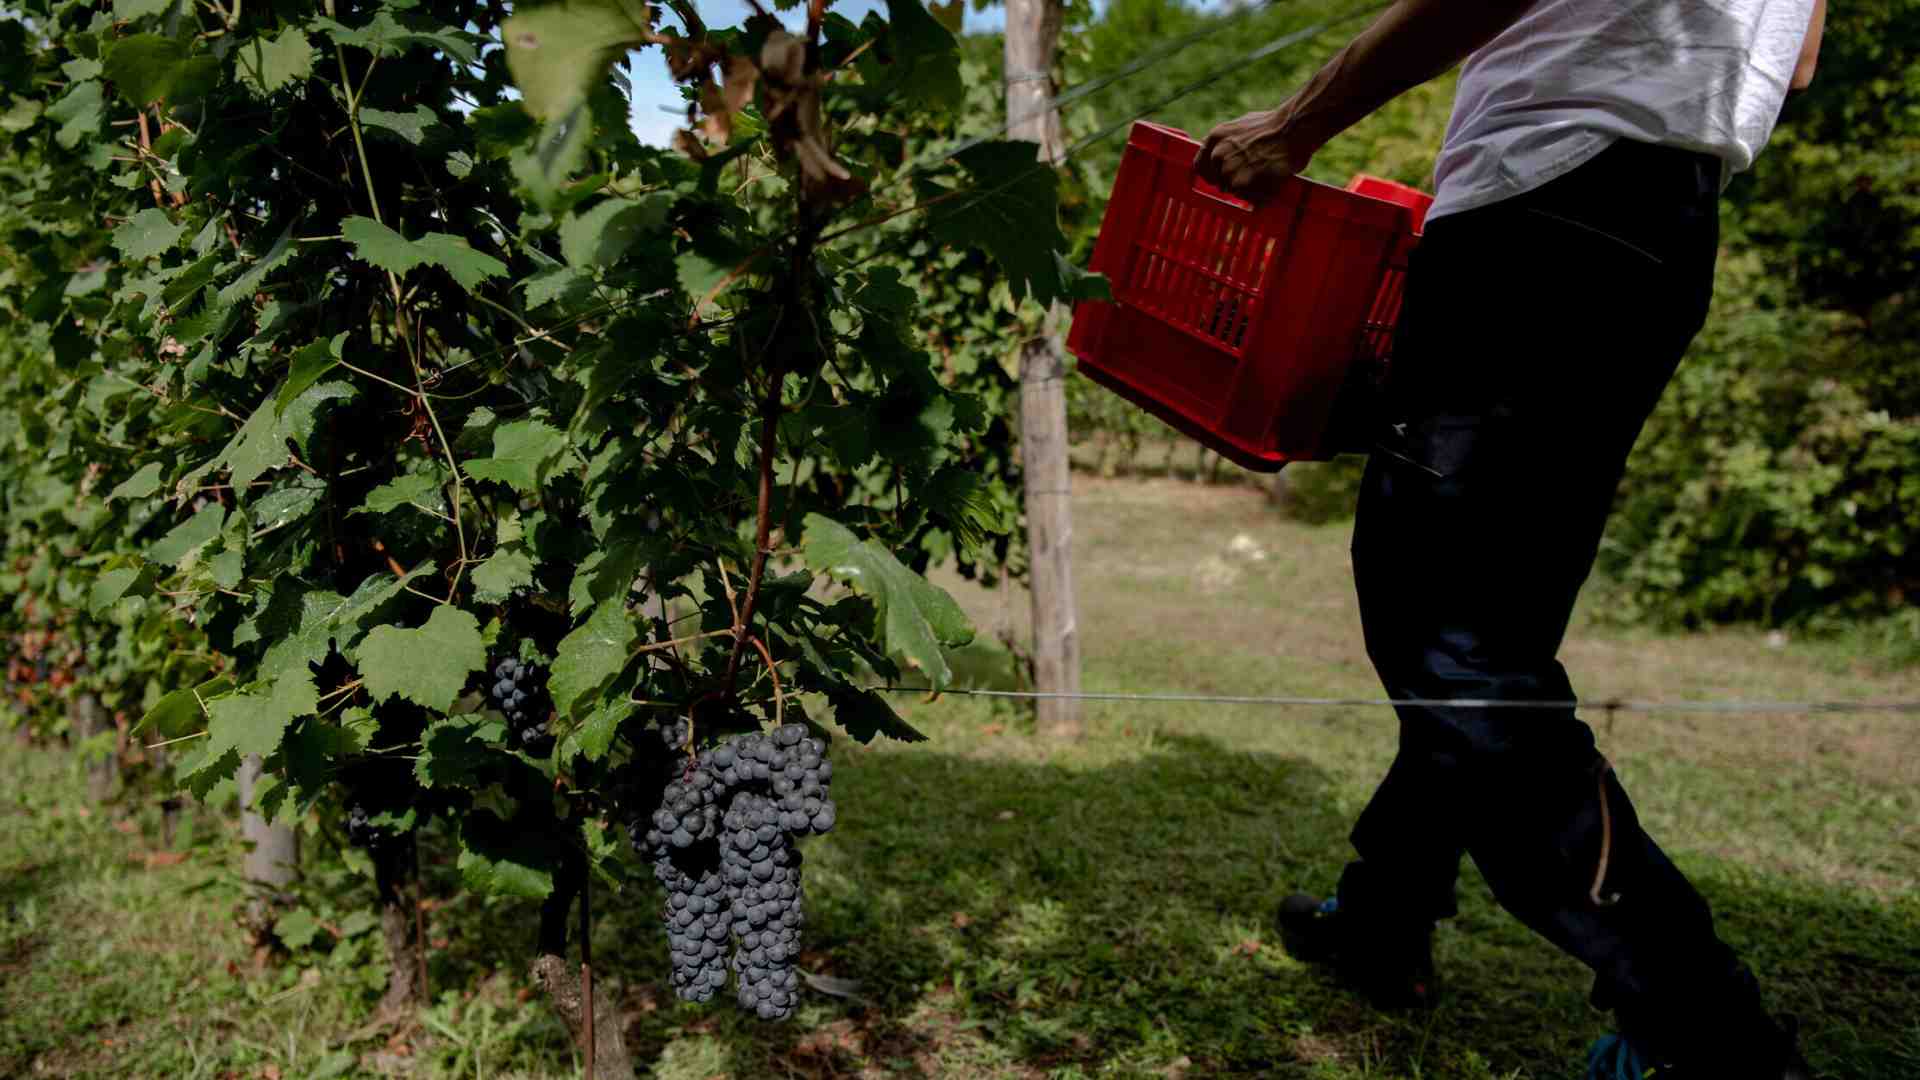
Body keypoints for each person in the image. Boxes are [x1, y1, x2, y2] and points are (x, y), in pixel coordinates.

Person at [1194, 1, 1829, 1077]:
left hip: (1545, 199)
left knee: (1456, 648)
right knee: (1498, 623)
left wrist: (1298, 123)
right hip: (1666, 232)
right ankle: (1385, 916)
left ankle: (1704, 1030)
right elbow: (1798, 63)